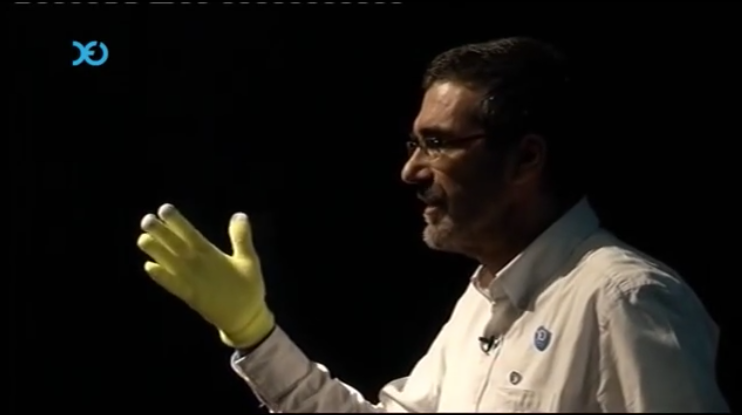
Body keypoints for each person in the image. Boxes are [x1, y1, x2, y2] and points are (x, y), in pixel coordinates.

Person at [136, 37, 728, 412]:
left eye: (438, 144)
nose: (411, 170)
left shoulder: (623, 299)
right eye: (414, 144)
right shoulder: (482, 300)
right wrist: (254, 333)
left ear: (526, 158)